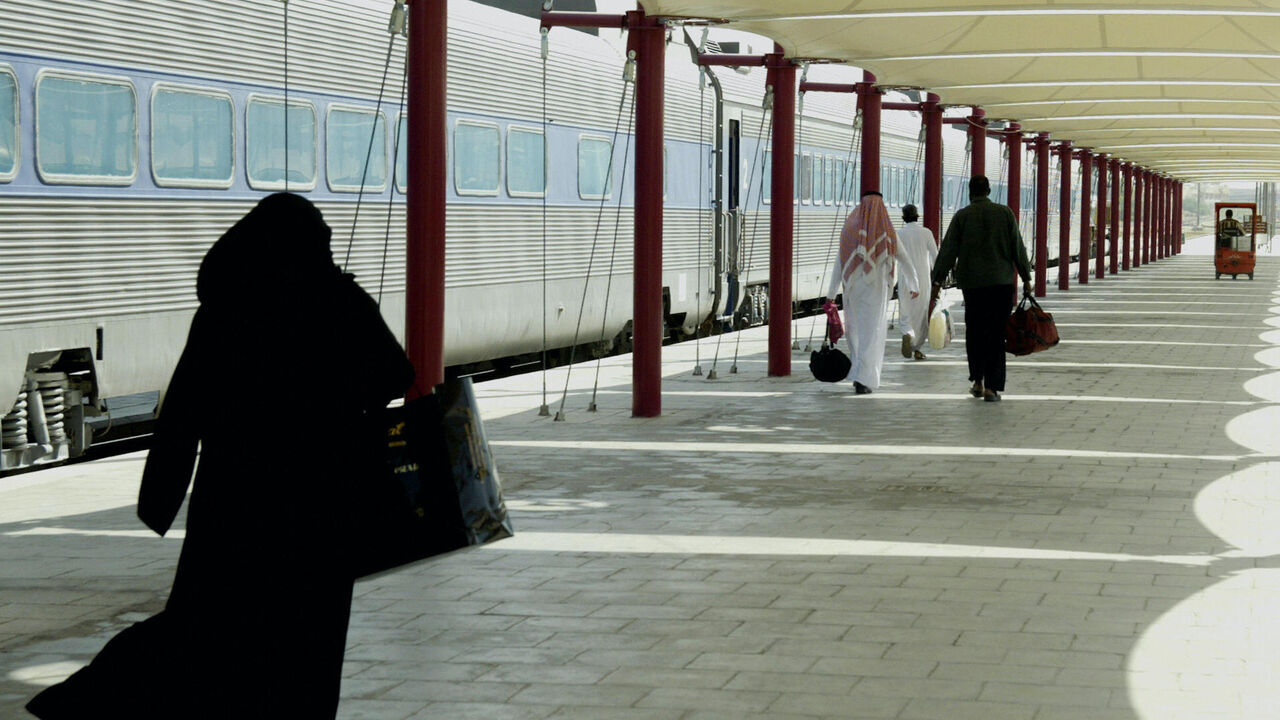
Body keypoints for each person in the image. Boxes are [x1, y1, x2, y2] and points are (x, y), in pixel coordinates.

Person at [26, 193, 415, 719]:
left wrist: (160, 498)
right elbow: (398, 374)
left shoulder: (224, 308)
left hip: (233, 502)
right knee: (310, 635)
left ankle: (91, 697)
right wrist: (340, 405)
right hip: (319, 502)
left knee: (202, 623)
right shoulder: (337, 299)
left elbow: (182, 414)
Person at [930, 175, 1031, 403]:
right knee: (996, 334)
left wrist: (937, 281)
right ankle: (991, 389)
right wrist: (1026, 277)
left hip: (974, 287)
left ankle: (977, 380)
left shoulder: (962, 217)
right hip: (1001, 285)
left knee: (975, 333)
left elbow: (948, 251)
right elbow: (1018, 247)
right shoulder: (1005, 214)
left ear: (970, 192)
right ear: (989, 191)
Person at [823, 191, 919, 394]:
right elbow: (905, 259)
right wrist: (914, 285)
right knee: (872, 334)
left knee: (855, 332)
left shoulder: (850, 229)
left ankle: (858, 373)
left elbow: (839, 263)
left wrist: (831, 293)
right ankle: (864, 378)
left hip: (852, 291)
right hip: (876, 292)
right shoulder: (886, 230)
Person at [895, 204, 937, 361]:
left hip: (905, 279)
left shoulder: (898, 234)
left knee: (905, 312)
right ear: (917, 216)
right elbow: (935, 256)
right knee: (921, 314)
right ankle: (917, 348)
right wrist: (938, 278)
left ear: (904, 218)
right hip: (923, 280)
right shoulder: (926, 233)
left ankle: (907, 333)